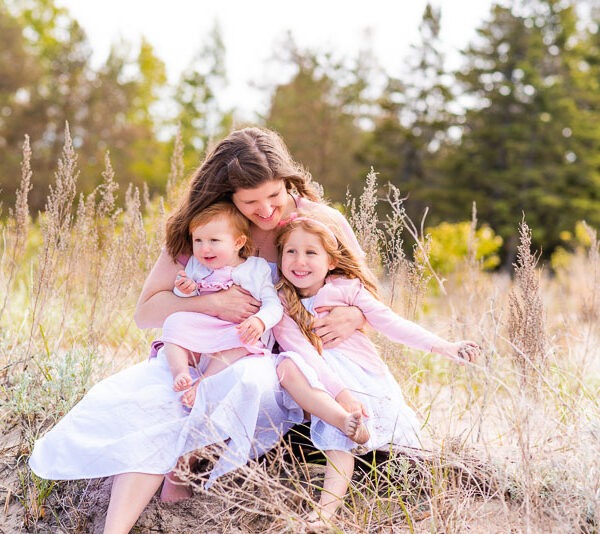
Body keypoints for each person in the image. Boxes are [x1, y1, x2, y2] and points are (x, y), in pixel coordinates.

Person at [28, 126, 366, 534]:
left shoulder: (320, 221)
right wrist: (209, 302)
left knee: (235, 386)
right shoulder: (208, 230)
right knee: (155, 409)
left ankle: (186, 472)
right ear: (228, 196)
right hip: (202, 350)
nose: (266, 210)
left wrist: (354, 317)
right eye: (251, 201)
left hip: (269, 359)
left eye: (274, 196)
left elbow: (367, 295)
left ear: (287, 180)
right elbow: (147, 311)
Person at [272, 212, 480, 528]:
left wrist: (445, 347)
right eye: (291, 251)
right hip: (324, 382)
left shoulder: (348, 290)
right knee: (336, 424)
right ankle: (325, 512)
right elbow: (302, 354)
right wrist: (341, 396)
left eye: (311, 252)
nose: (300, 261)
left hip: (363, 373)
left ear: (330, 261)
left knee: (405, 447)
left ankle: (430, 487)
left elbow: (392, 324)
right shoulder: (281, 304)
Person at [162, 201, 283, 408]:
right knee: (173, 322)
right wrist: (184, 289)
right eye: (198, 240)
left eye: (214, 240)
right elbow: (182, 301)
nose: (204, 248)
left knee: (244, 342)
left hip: (235, 331)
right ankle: (180, 372)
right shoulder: (196, 265)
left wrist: (260, 321)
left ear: (238, 243)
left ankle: (204, 380)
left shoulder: (255, 268)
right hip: (204, 329)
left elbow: (274, 304)